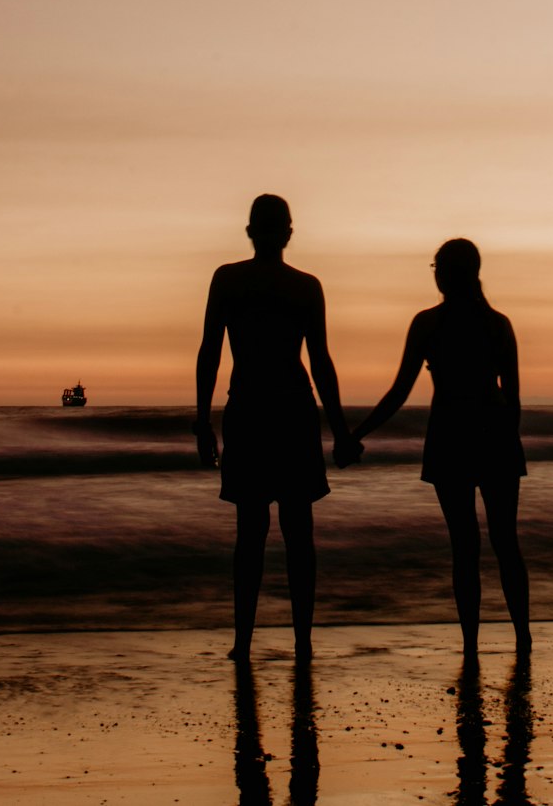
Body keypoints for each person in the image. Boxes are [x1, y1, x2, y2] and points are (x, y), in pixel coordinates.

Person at [194, 194, 359, 660]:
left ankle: (246, 644)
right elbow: (321, 363)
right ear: (288, 232)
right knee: (295, 531)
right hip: (287, 409)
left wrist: (203, 420)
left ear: (251, 231)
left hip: (252, 408)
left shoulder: (230, 280)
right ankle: (298, 643)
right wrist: (341, 431)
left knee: (253, 531)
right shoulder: (303, 286)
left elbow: (210, 351)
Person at [351, 238, 530, 657]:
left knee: (464, 546)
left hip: (451, 437)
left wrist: (357, 434)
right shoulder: (497, 323)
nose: (436, 274)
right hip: (495, 438)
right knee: (505, 541)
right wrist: (508, 441)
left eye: (438, 267)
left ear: (446, 273)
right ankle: (522, 640)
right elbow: (515, 399)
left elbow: (398, 392)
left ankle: (471, 646)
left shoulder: (428, 323)